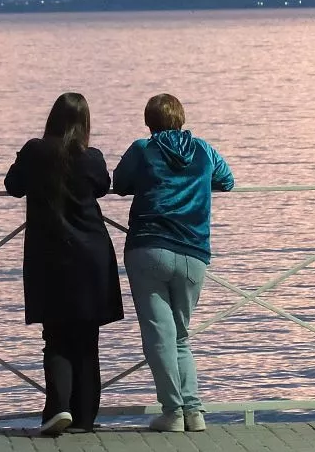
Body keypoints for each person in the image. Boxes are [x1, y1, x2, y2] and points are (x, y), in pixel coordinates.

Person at [113, 93, 234, 433]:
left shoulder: (142, 149)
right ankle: (193, 412)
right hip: (194, 252)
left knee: (160, 337)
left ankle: (173, 412)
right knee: (180, 336)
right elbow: (226, 180)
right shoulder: (204, 149)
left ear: (148, 121)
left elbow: (118, 183)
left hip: (149, 248)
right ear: (181, 118)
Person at [4, 92, 124, 435]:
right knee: (87, 340)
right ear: (84, 123)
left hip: (50, 258)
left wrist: (23, 159)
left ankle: (58, 409)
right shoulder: (91, 157)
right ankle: (85, 418)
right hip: (92, 256)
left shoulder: (35, 151)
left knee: (55, 336)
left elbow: (13, 186)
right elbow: (103, 186)